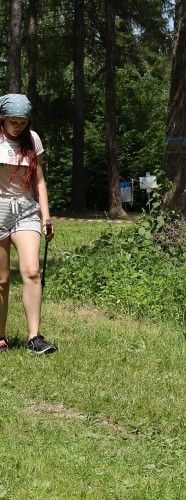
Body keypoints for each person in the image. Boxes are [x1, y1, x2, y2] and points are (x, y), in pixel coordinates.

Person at [0, 93, 56, 354]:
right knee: (1, 280)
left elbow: (40, 181)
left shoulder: (32, 140)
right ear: (2, 118)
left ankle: (35, 338)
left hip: (25, 210)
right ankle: (0, 338)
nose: (19, 126)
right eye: (14, 121)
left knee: (32, 271)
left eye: (23, 121)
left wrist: (46, 216)